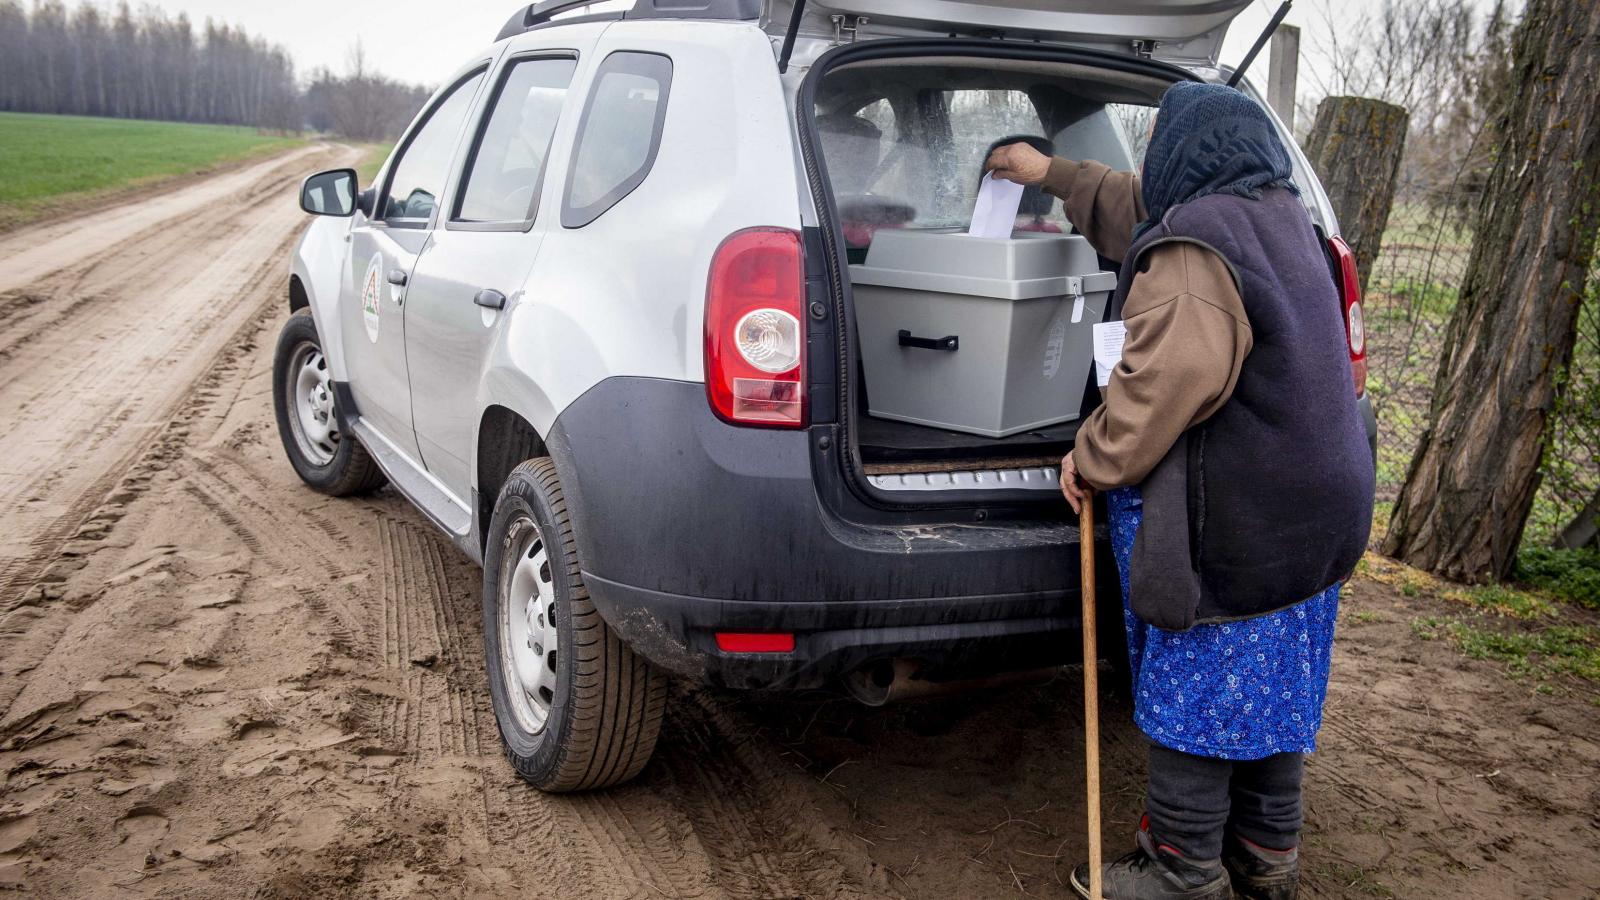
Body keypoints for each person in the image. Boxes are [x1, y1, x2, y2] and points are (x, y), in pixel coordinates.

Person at [987, 83, 1374, 900]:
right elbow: (1133, 203)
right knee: (1271, 688)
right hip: (1316, 514)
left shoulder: (1195, 252)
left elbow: (1166, 381)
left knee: (1200, 684)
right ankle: (1267, 859)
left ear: (1185, 153)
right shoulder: (1278, 219)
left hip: (1237, 519)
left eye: (1160, 140)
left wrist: (1091, 457)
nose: (1151, 155)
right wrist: (1047, 170)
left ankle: (1181, 869)